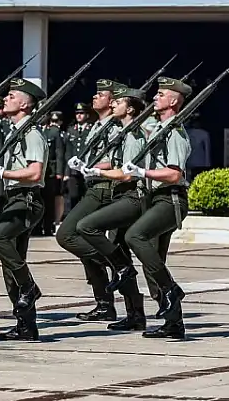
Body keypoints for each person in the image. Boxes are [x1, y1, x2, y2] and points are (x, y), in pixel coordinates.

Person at [117, 77, 193, 339]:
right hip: (155, 198)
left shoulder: (175, 132)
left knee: (134, 236)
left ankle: (171, 289)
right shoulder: (160, 128)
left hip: (170, 199)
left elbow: (174, 174)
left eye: (160, 95)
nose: (154, 98)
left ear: (173, 101)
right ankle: (174, 323)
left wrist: (143, 172)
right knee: (154, 261)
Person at [71, 86, 150, 332]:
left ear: (131, 109)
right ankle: (135, 314)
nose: (113, 103)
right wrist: (91, 166)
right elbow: (116, 163)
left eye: (118, 101)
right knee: (120, 254)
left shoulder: (133, 135)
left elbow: (126, 174)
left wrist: (97, 171)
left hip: (129, 196)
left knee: (87, 228)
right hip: (119, 194)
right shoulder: (123, 133)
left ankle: (123, 273)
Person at [0, 78, 49, 341]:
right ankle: (26, 326)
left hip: (27, 199)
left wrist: (2, 173)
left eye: (12, 96)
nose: (5, 99)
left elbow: (35, 172)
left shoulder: (31, 133)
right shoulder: (15, 131)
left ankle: (29, 287)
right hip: (13, 198)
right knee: (11, 265)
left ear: (24, 104)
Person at [56, 79, 127, 323]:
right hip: (93, 186)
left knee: (67, 234)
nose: (95, 97)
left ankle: (116, 262)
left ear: (113, 100)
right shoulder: (98, 125)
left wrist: (91, 165)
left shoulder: (116, 127)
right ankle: (104, 302)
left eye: (101, 94)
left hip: (105, 188)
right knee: (84, 241)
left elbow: (117, 160)